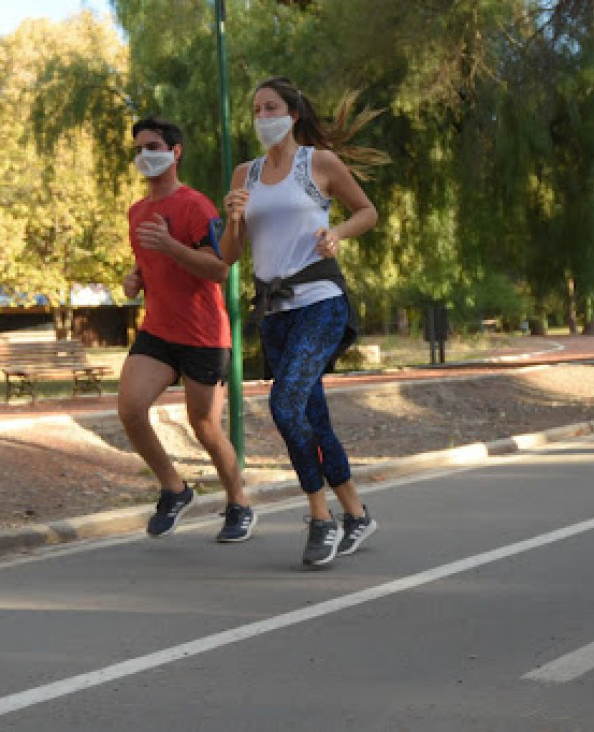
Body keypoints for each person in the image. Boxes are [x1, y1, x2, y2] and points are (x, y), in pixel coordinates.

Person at [220, 76, 383, 567]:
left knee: (285, 405)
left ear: (292, 115)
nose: (262, 117)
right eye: (256, 110)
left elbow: (367, 211)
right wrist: (231, 220)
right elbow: (229, 254)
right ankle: (356, 513)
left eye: (272, 108)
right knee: (311, 416)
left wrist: (338, 233)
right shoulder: (244, 176)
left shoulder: (319, 164)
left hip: (320, 300)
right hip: (276, 312)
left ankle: (320, 518)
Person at [120, 117, 254, 542]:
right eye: (139, 149)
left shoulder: (196, 206)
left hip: (202, 334)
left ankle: (239, 502)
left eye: (153, 146)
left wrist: (170, 247)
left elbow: (217, 268)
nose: (145, 155)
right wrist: (134, 277)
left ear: (175, 152)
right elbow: (147, 260)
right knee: (129, 408)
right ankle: (174, 489)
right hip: (158, 330)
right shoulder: (137, 211)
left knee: (206, 427)